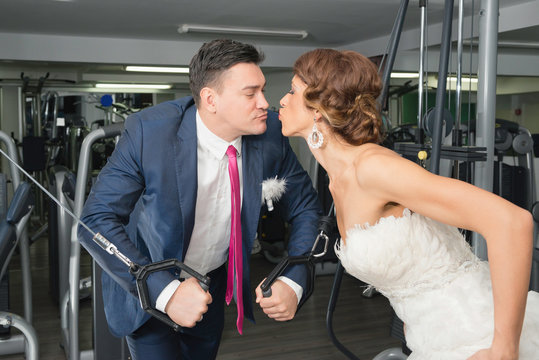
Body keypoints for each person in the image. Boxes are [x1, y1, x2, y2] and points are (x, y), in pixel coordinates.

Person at [278, 48, 539, 359]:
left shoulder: (373, 168)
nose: (282, 99)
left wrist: (504, 348)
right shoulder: (339, 180)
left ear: (317, 110)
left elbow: (511, 222)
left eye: (292, 90)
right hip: (429, 337)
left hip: (475, 330)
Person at [78, 39, 321, 360]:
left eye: (262, 90)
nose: (266, 102)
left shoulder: (271, 133)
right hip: (149, 285)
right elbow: (95, 220)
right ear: (211, 99)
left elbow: (306, 207)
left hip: (212, 282)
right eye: (251, 94)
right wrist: (163, 291)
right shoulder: (149, 133)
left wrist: (295, 277)